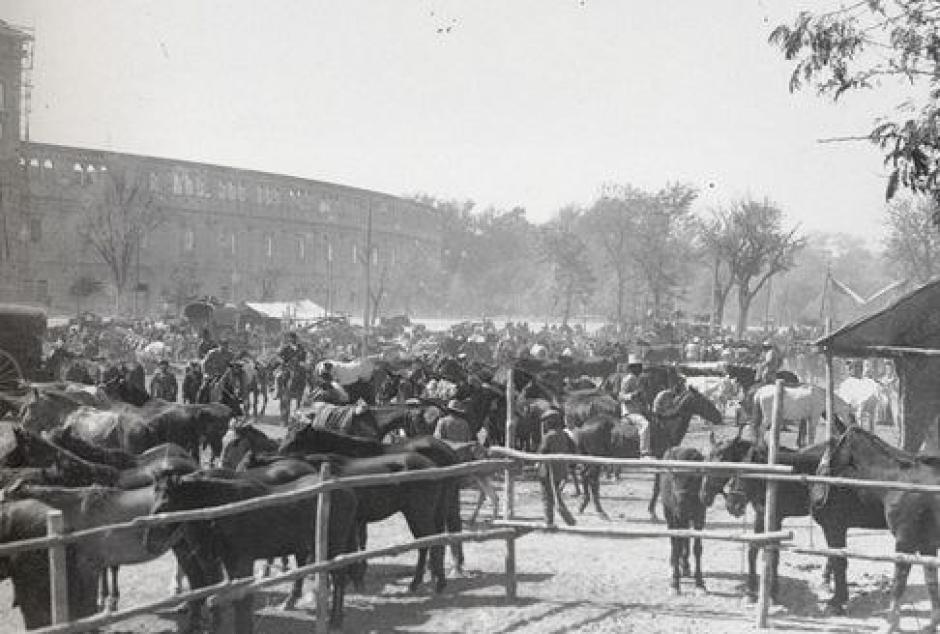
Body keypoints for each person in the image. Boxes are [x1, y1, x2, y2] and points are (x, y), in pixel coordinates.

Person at [537, 409, 576, 526]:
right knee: (554, 495)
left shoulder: (549, 437)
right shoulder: (564, 435)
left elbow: (541, 452)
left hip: (549, 471)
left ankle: (551, 522)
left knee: (548, 497)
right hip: (561, 471)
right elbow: (573, 449)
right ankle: (566, 520)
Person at [619, 354, 653, 457]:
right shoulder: (628, 379)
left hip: (639, 410)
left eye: (640, 366)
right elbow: (621, 396)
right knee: (645, 425)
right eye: (638, 366)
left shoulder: (638, 379)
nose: (641, 368)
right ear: (632, 368)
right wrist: (632, 395)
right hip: (630, 412)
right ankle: (644, 452)